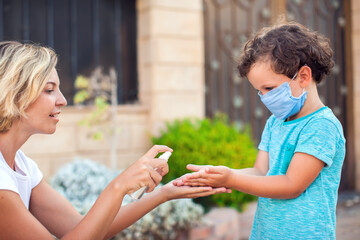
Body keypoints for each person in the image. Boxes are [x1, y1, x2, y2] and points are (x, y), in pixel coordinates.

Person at [0, 41, 230, 239]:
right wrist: (119, 186)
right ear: (14, 94)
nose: (62, 100)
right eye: (49, 90)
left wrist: (165, 193)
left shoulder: (22, 166)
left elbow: (83, 230)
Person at [174, 22, 346, 239]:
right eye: (259, 91)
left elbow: (291, 185)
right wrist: (217, 174)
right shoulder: (275, 122)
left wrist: (230, 180)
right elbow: (261, 172)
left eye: (269, 89)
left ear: (303, 76)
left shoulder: (322, 126)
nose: (264, 97)